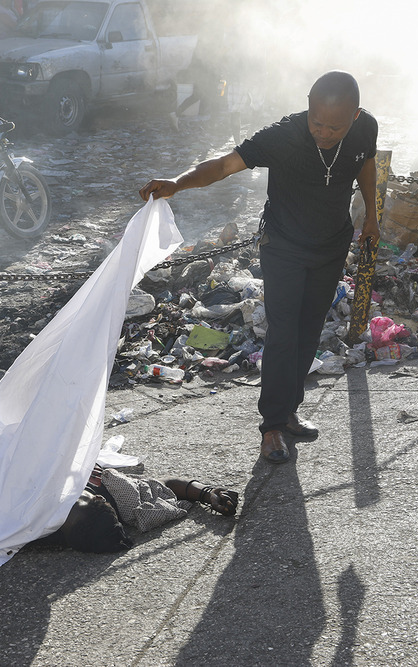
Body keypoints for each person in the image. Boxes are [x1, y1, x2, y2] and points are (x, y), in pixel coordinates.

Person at [140, 71, 380, 464]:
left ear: (355, 117)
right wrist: (176, 183)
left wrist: (370, 215)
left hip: (331, 245)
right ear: (307, 106)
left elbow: (366, 162)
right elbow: (222, 166)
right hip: (283, 246)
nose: (323, 132)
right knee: (284, 331)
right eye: (316, 122)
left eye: (334, 127)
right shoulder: (282, 136)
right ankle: (270, 426)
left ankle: (289, 412)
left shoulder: (365, 127)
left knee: (308, 329)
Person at [0, 419, 239, 552]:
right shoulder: (122, 497)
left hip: (10, 477)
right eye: (84, 498)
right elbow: (165, 486)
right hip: (53, 457)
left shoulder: (31, 524)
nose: (75, 496)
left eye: (69, 505)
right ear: (100, 500)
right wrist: (205, 492)